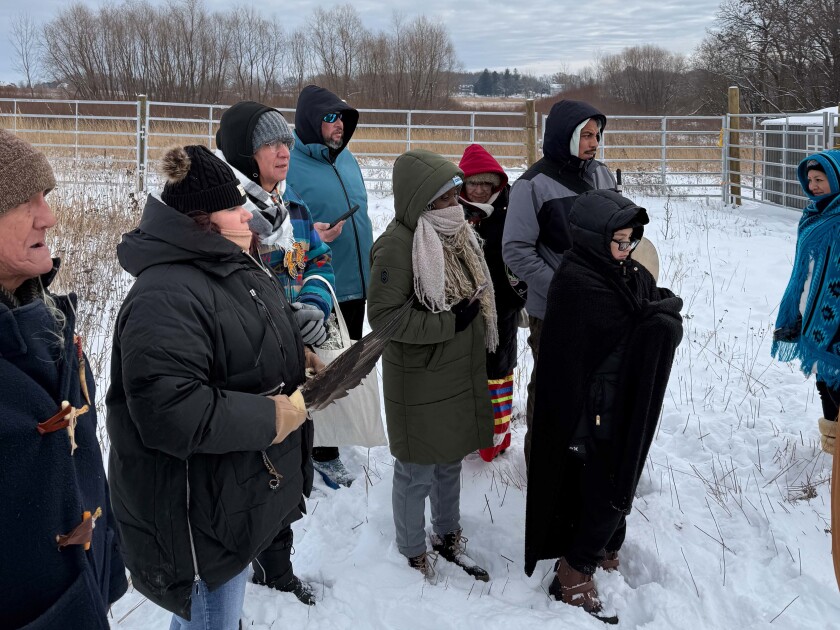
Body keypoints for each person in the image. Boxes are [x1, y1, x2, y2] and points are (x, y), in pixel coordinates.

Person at [106, 145, 316, 629]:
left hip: (227, 503)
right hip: (194, 519)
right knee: (210, 617)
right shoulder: (165, 293)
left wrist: (295, 359)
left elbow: (235, 344)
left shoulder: (226, 264)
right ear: (202, 220)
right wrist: (272, 417)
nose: (247, 213)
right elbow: (171, 410)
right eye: (233, 206)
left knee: (217, 611)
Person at [524, 189, 683, 623]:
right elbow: (632, 325)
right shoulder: (578, 282)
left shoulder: (623, 271)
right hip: (591, 414)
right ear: (594, 238)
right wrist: (658, 319)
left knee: (618, 477)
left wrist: (661, 316)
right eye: (619, 241)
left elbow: (653, 303)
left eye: (632, 240)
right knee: (607, 486)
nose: (628, 250)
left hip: (620, 402)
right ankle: (573, 571)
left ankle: (606, 546)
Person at [0, 129, 127, 629]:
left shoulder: (51, 324)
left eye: (45, 198)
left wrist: (104, 559)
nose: (48, 217)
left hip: (82, 593)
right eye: (22, 201)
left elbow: (85, 464)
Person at [215, 100, 334, 605]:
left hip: (292, 360)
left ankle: (275, 558)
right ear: (246, 152)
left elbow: (320, 263)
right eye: (269, 143)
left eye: (286, 140)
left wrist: (314, 302)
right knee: (259, 468)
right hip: (249, 367)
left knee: (290, 459)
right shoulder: (230, 217)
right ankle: (260, 567)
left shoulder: (296, 211)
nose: (284, 151)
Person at [368, 149, 496, 582]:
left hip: (454, 371)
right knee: (417, 468)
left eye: (456, 196)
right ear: (420, 202)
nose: (455, 206)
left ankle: (447, 533)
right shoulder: (398, 246)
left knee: (449, 461)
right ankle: (411, 550)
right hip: (419, 378)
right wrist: (449, 323)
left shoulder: (455, 234)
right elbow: (385, 318)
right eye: (444, 199)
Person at [502, 99, 617, 467]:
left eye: (596, 134)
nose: (593, 142)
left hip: (601, 302)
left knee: (594, 383)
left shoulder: (601, 175)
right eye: (585, 135)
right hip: (554, 308)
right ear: (565, 135)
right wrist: (562, 287)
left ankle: (583, 455)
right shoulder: (531, 186)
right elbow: (515, 250)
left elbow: (617, 230)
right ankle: (543, 460)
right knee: (554, 386)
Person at [288, 84, 374, 488]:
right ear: (310, 122)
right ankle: (321, 449)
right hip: (321, 286)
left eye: (342, 118)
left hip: (357, 283)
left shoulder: (347, 159)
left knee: (346, 361)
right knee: (321, 368)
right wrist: (315, 235)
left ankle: (335, 430)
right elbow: (284, 229)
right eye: (330, 118)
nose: (339, 125)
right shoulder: (292, 166)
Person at [771, 150, 840, 454]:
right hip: (813, 313)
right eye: (810, 179)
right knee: (824, 381)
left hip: (836, 318)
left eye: (819, 179)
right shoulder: (814, 213)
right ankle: (835, 447)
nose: (812, 185)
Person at [458, 144, 519, 461]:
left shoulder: (511, 215)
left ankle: (494, 440)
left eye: (486, 183)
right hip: (464, 313)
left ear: (497, 184)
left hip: (501, 313)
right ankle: (469, 432)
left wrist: (514, 299)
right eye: (472, 183)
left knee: (497, 373)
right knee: (466, 374)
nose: (479, 190)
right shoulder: (454, 213)